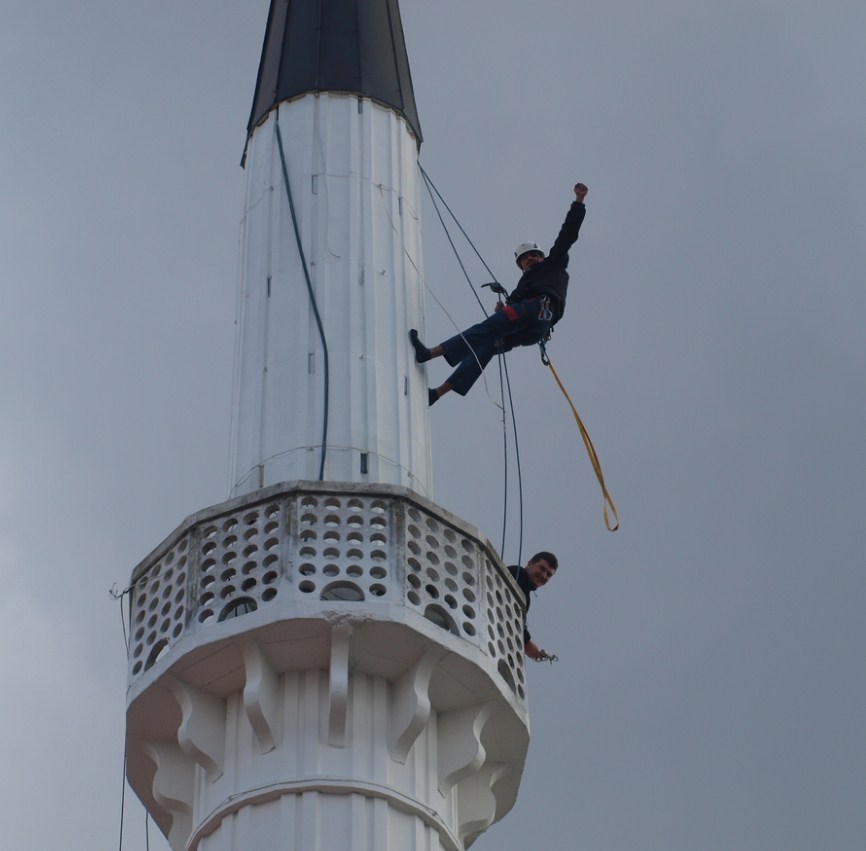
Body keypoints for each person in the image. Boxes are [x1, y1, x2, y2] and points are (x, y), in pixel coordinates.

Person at [410, 182, 588, 404]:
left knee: (484, 329)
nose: (531, 258)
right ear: (520, 265)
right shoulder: (523, 286)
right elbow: (512, 308)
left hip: (539, 311)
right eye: (525, 257)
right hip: (533, 326)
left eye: (534, 255)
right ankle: (436, 394)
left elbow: (567, 234)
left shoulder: (553, 264)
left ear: (542, 257)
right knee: (486, 346)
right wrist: (503, 308)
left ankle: (429, 354)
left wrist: (578, 202)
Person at [507, 552, 558, 661]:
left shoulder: (526, 595)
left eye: (549, 575)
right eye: (542, 569)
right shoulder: (517, 574)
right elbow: (511, 612)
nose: (544, 576)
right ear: (530, 564)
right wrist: (526, 642)